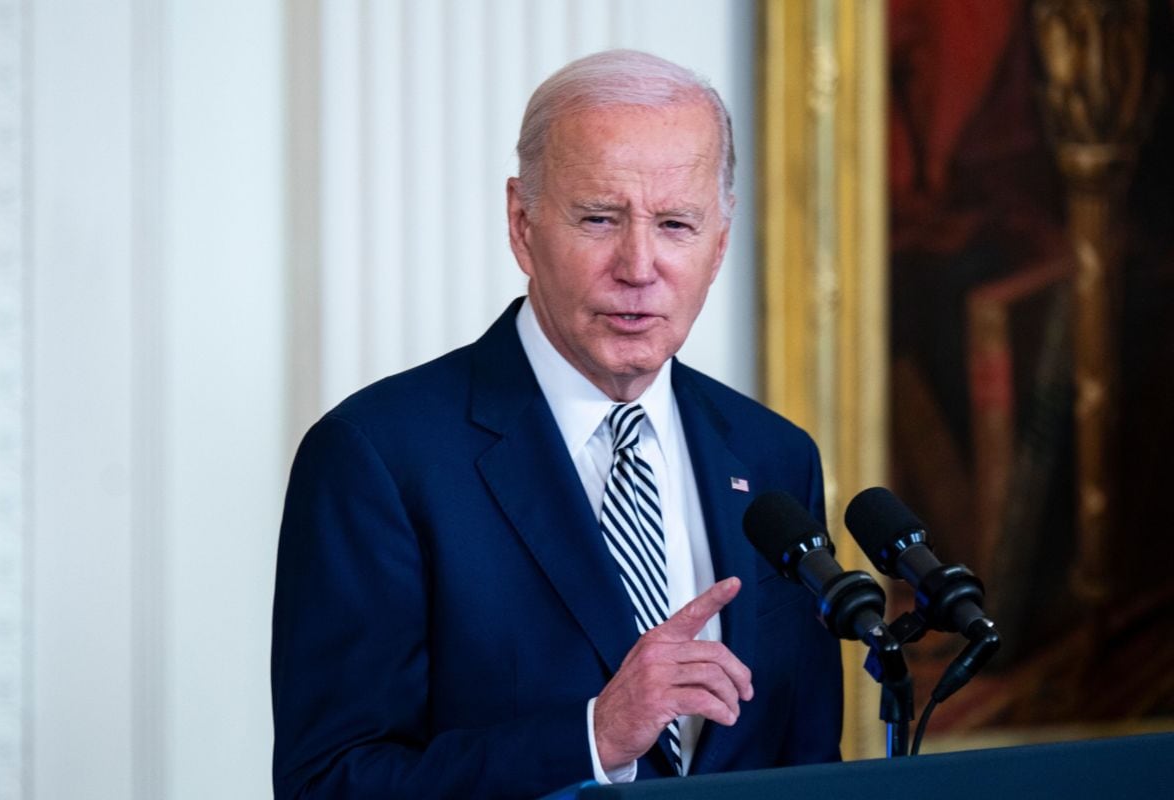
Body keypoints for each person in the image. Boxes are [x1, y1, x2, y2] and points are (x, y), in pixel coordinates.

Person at [271, 49, 842, 799]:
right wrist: (593, 739)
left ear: (720, 244)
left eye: (675, 224)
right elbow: (330, 784)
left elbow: (808, 764)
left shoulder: (774, 457)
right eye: (600, 219)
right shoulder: (378, 457)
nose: (638, 266)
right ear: (522, 224)